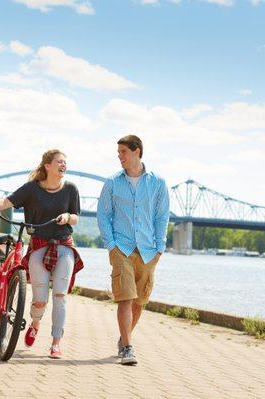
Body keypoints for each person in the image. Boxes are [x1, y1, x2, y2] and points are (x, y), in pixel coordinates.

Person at [0, 149, 83, 359]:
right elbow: (6, 203)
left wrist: (68, 217)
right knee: (40, 300)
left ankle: (55, 343)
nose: (63, 166)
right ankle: (35, 323)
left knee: (60, 296)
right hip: (39, 245)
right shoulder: (32, 189)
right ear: (47, 166)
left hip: (64, 245)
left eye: (65, 163)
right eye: (59, 162)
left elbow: (76, 217)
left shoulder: (70, 189)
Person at [97, 135, 170, 366]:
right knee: (125, 298)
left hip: (149, 250)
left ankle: (124, 337)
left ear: (137, 151)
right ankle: (128, 347)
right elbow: (103, 215)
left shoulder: (158, 183)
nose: (119, 156)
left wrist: (160, 247)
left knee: (139, 301)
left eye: (123, 152)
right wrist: (111, 245)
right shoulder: (112, 183)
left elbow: (162, 217)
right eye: (118, 152)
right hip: (122, 248)